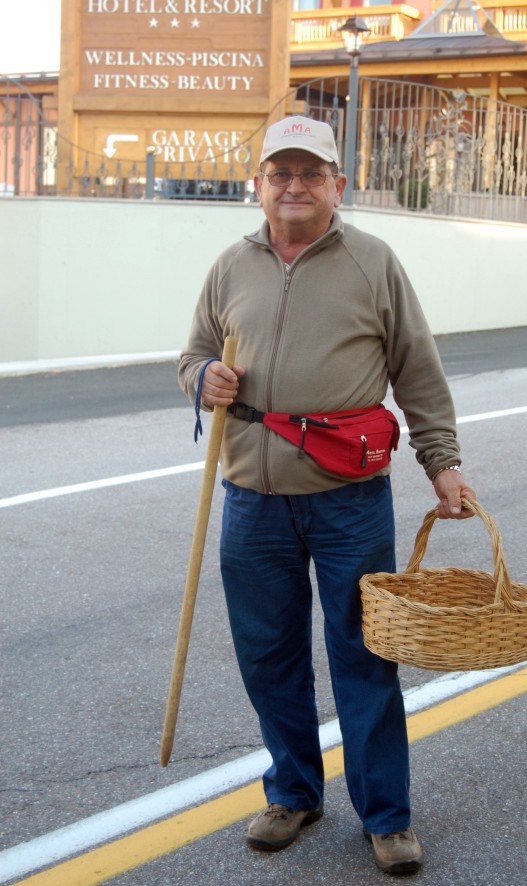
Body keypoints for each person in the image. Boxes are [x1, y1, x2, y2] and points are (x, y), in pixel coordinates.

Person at [178, 115, 476, 876]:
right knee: (268, 656)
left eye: (310, 173)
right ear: (258, 185)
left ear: (337, 185)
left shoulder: (373, 262)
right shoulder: (229, 266)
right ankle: (293, 794)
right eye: (280, 173)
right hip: (252, 498)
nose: (294, 186)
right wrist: (202, 377)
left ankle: (387, 817)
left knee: (366, 656)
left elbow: (417, 368)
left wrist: (441, 461)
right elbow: (193, 354)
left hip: (350, 499)